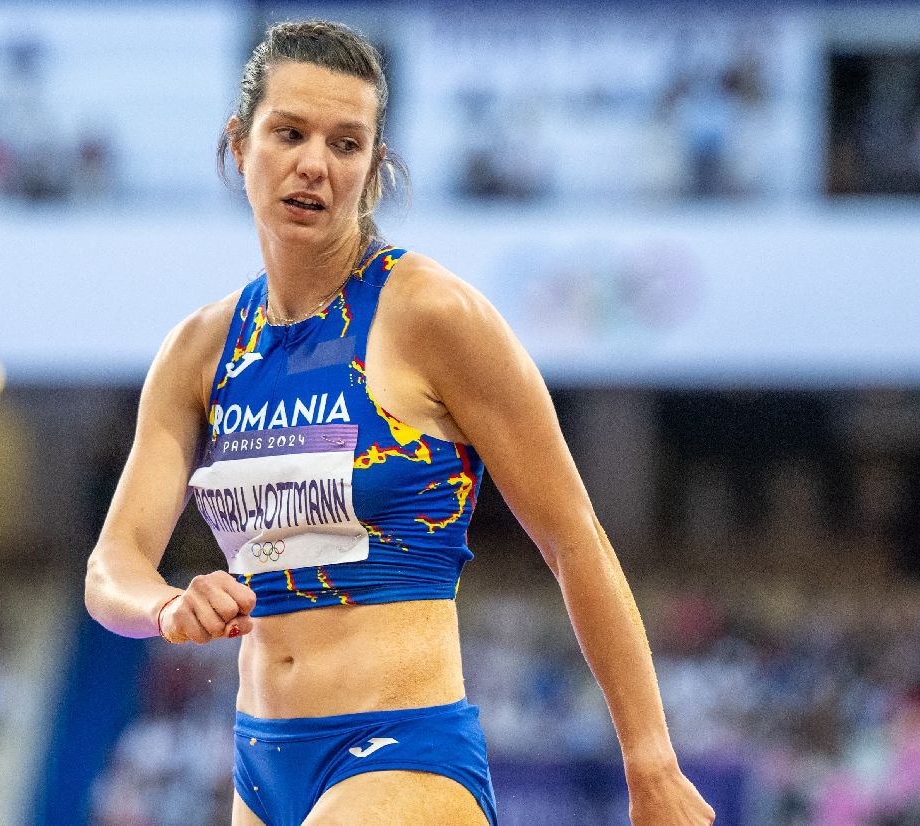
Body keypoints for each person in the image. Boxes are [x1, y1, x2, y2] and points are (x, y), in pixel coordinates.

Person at [84, 19, 715, 826]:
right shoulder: (201, 351)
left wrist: (650, 759)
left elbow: (573, 536)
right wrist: (166, 606)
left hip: (402, 753)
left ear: (374, 169)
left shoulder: (431, 316)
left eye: (347, 144)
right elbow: (113, 567)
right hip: (260, 768)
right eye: (290, 133)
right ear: (239, 147)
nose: (315, 163)